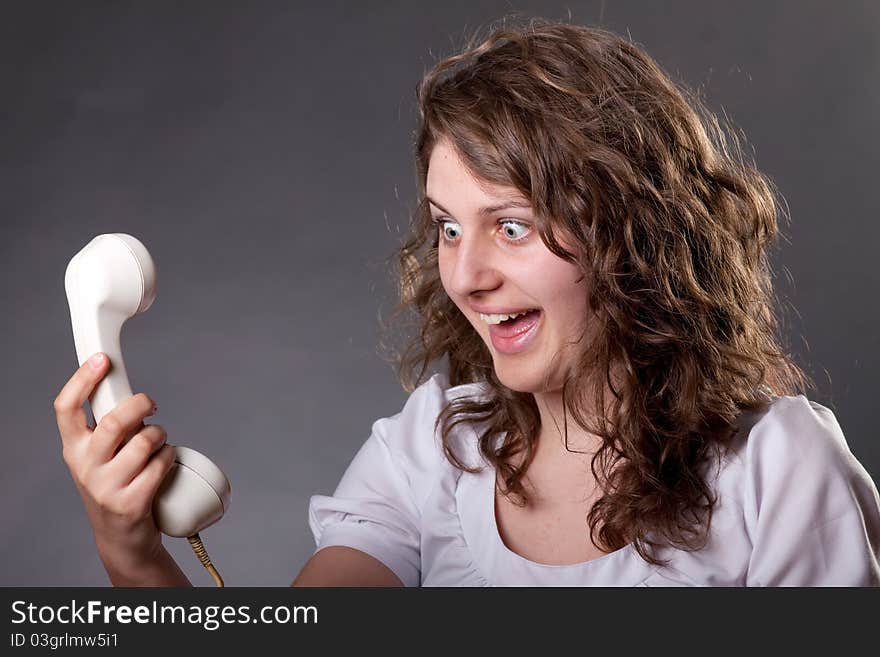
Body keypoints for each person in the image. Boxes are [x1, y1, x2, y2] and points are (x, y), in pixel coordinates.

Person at [54, 19, 880, 586]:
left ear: (634, 235)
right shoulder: (430, 451)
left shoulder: (780, 469)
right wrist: (130, 550)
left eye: (511, 225)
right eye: (449, 227)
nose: (467, 274)